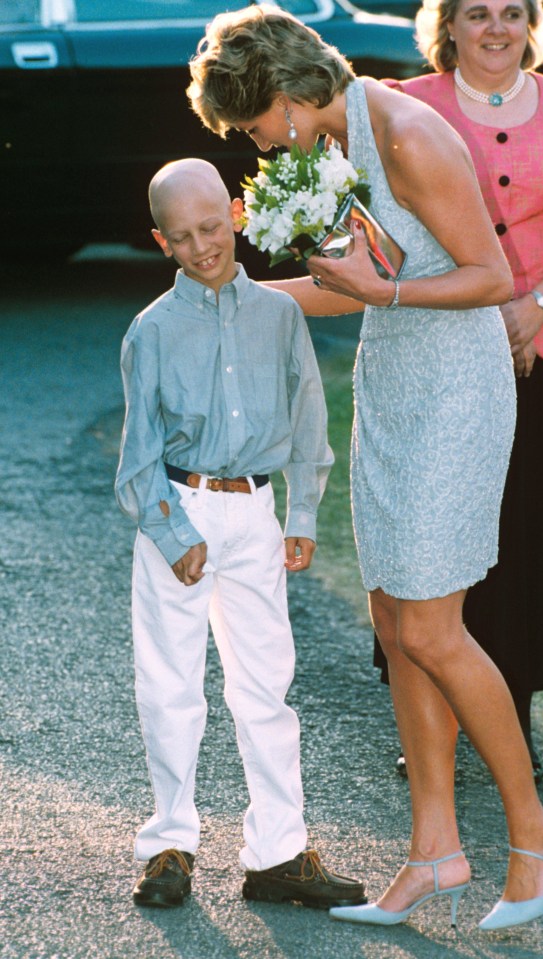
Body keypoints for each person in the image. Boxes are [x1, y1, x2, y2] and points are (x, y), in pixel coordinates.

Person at [186, 4, 543, 932]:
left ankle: (533, 834)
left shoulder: (403, 134)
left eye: (248, 126)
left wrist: (382, 290)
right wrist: (234, 301)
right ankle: (433, 850)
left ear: (283, 99)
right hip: (395, 380)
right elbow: (347, 286)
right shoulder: (336, 137)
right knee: (395, 620)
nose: (252, 143)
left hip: (455, 388)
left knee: (436, 629)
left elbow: (488, 277)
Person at [374, 0, 543, 784]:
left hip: (541, 352)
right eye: (475, 12)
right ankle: (432, 724)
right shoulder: (404, 105)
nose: (494, 28)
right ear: (445, 25)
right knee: (433, 533)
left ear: (530, 24)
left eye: (510, 12)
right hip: (437, 353)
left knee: (523, 535)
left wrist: (533, 306)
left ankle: (510, 720)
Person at [114, 157, 367, 911]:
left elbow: (305, 418)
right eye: (183, 237)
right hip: (179, 515)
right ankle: (168, 844)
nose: (203, 246)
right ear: (162, 242)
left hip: (254, 514)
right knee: (170, 682)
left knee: (265, 682)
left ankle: (278, 853)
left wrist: (297, 514)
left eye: (212, 227)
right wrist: (169, 529)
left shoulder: (279, 315)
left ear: (234, 213)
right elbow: (138, 454)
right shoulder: (151, 331)